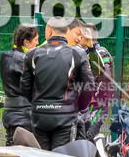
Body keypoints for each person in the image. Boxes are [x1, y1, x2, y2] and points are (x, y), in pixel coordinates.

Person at [20, 16, 95, 150]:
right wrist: (77, 106)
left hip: (39, 116)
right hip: (65, 117)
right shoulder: (77, 53)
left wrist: (38, 104)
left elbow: (25, 86)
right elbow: (89, 86)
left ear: (48, 32)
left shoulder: (32, 54)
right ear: (66, 31)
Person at [0, 24, 40, 145]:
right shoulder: (25, 59)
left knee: (11, 145)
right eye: (36, 40)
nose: (37, 44)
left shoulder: (6, 57)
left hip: (9, 111)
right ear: (26, 42)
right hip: (23, 112)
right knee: (24, 152)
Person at [79, 22, 114, 140]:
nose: (79, 38)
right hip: (85, 105)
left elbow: (106, 78)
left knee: (88, 136)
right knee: (81, 136)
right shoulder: (82, 53)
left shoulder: (101, 52)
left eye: (82, 35)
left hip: (97, 105)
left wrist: (95, 97)